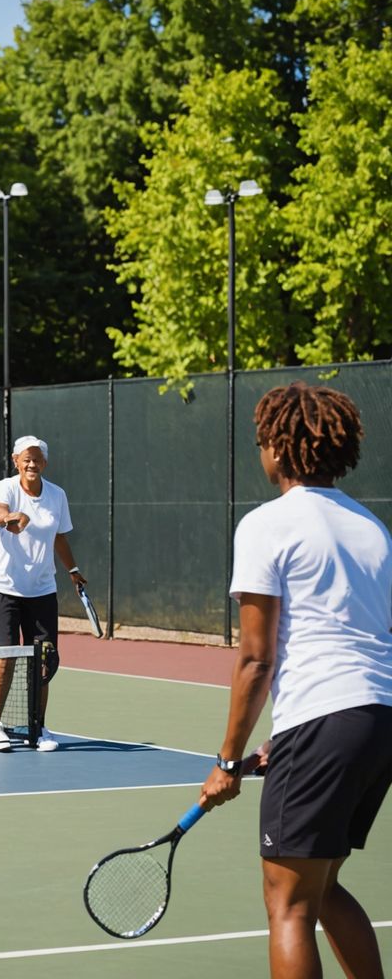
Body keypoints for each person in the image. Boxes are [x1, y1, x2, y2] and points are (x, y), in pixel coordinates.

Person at [199, 382, 392, 979]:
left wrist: (227, 761)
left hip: (327, 720)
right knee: (325, 886)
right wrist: (286, 737)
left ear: (280, 450)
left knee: (288, 904)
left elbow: (257, 659)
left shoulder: (266, 525)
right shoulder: (372, 529)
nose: (260, 451)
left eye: (262, 441)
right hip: (378, 719)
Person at [0, 435, 85, 752]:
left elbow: (59, 538)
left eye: (37, 459)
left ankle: (37, 727)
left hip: (42, 588)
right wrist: (9, 517)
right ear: (16, 461)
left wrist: (73, 570)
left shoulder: (57, 495)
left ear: (45, 463)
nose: (32, 464)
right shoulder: (7, 488)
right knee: (8, 653)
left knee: (43, 659)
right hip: (3, 586)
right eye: (26, 458)